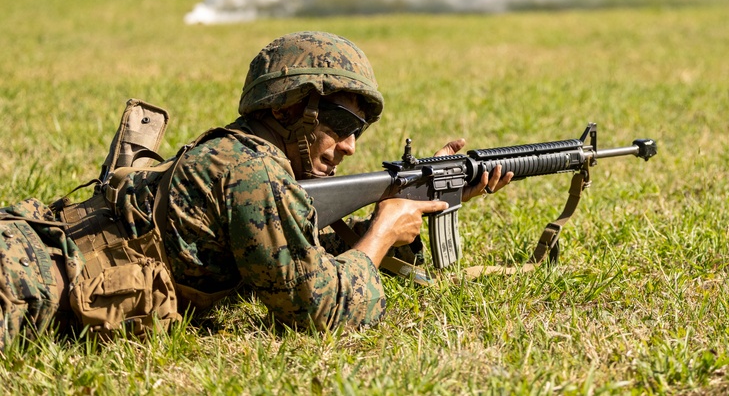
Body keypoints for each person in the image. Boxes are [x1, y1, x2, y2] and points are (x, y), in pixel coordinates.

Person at [0, 31, 512, 350]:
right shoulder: (254, 173)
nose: (351, 146)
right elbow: (322, 311)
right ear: (288, 109)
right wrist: (379, 236)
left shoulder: (250, 156)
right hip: (22, 280)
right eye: (339, 122)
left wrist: (424, 200)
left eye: (360, 130)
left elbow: (297, 247)